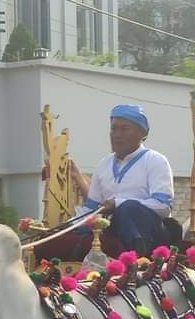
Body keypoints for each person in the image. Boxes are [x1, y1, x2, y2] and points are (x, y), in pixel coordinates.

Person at [41, 104, 177, 261]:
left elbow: (163, 207)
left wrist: (117, 203)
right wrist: (69, 225)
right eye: (113, 129)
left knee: (127, 208)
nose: (116, 135)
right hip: (111, 230)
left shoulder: (156, 161)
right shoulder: (103, 164)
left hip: (149, 234)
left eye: (124, 129)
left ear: (143, 133)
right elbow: (91, 209)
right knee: (67, 236)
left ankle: (136, 261)